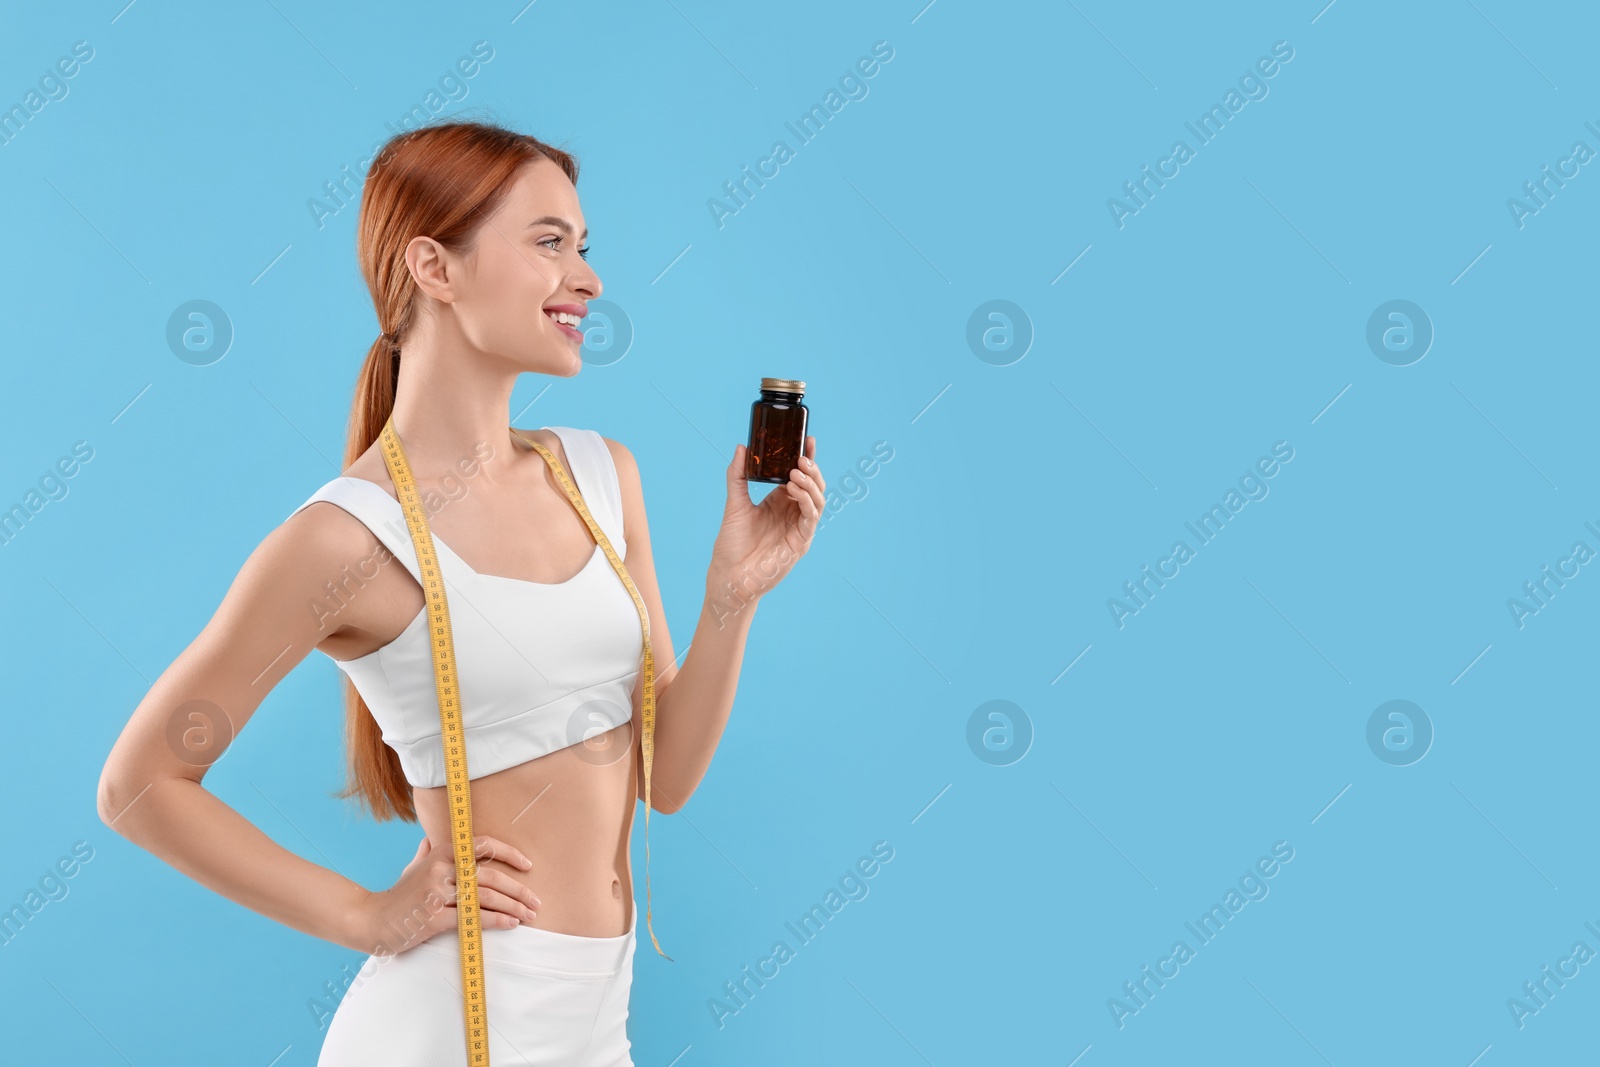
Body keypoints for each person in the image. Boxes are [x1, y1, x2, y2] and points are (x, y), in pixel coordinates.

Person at [95, 119, 824, 1065]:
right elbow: (139, 784)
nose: (590, 278)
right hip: (447, 1028)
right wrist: (364, 913)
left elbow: (669, 778)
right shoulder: (344, 538)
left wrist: (733, 592)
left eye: (584, 246)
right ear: (434, 268)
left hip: (597, 1023)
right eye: (549, 242)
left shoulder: (603, 477)